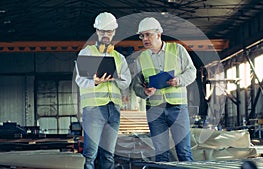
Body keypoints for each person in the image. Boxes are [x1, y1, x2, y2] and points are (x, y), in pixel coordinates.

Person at [132, 17, 196, 162]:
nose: (144, 39)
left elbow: (192, 72)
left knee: (184, 151)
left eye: (148, 34)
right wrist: (145, 92)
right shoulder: (141, 58)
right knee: (161, 154)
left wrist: (178, 80)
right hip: (155, 110)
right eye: (142, 36)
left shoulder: (178, 50)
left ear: (158, 34)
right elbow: (136, 86)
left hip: (177, 108)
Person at [75, 12, 131, 169]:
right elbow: (79, 80)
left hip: (113, 109)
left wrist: (117, 77)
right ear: (97, 31)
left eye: (109, 31)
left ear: (114, 32)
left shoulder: (119, 58)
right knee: (90, 154)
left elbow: (126, 83)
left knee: (108, 154)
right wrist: (94, 81)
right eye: (102, 31)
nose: (105, 35)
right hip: (93, 109)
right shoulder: (86, 53)